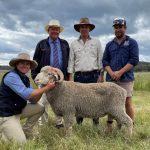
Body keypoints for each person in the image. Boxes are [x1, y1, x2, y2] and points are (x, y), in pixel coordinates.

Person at [0, 53, 55, 143]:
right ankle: (3, 133)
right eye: (22, 63)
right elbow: (27, 94)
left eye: (27, 64)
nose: (25, 66)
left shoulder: (25, 79)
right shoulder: (11, 76)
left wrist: (42, 86)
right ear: (16, 64)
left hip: (17, 111)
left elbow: (33, 100)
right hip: (6, 115)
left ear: (29, 66)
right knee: (21, 143)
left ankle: (26, 131)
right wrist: (47, 88)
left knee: (40, 107)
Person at [31, 19, 70, 128]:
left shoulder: (64, 44)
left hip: (60, 77)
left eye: (57, 29)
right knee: (44, 101)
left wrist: (67, 76)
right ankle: (43, 124)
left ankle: (59, 123)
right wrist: (35, 76)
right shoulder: (42, 44)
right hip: (45, 78)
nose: (55, 31)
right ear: (48, 30)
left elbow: (69, 60)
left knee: (61, 100)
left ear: (59, 31)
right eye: (53, 29)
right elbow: (35, 61)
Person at [102, 17, 139, 129]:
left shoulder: (132, 42)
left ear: (125, 28)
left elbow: (134, 60)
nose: (118, 29)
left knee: (127, 102)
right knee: (110, 103)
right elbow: (105, 61)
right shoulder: (109, 44)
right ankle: (110, 128)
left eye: (120, 27)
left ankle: (130, 127)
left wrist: (120, 72)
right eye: (116, 27)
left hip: (126, 78)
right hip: (111, 78)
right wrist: (112, 72)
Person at [67, 17, 104, 125]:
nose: (84, 29)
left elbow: (100, 59)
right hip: (79, 76)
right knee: (79, 101)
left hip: (93, 75)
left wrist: (101, 75)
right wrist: (70, 78)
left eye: (86, 27)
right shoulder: (74, 44)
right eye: (82, 27)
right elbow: (71, 61)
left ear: (89, 29)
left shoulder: (96, 42)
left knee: (95, 101)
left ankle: (96, 123)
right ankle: (79, 124)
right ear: (79, 29)